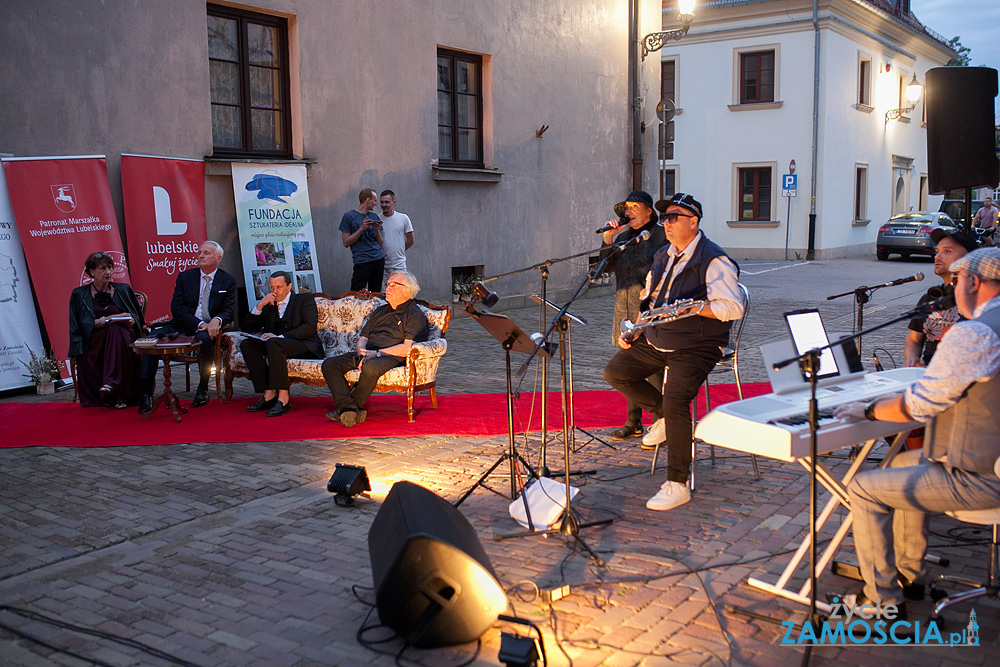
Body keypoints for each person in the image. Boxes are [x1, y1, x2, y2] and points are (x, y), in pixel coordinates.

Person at [833, 247, 1000, 618]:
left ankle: (881, 601)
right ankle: (910, 573)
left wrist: (867, 408)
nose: (953, 291)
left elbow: (920, 406)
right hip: (987, 458)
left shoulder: (975, 333)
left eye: (956, 283)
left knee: (862, 486)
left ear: (972, 282)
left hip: (979, 475)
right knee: (900, 464)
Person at [603, 193, 743, 511]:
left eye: (674, 217)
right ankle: (662, 415)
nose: (666, 223)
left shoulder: (714, 259)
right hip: (659, 337)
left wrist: (694, 308)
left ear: (693, 222)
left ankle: (678, 483)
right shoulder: (664, 255)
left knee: (677, 400)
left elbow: (733, 306)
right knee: (616, 371)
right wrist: (636, 330)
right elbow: (650, 300)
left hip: (697, 345)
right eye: (664, 217)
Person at [598, 190, 667, 441]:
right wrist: (608, 238)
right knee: (628, 365)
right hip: (624, 308)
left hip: (650, 311)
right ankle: (634, 422)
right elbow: (604, 268)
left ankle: (661, 422)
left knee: (654, 366)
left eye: (634, 207)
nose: (628, 212)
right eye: (626, 207)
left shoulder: (661, 236)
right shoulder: (624, 238)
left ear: (649, 211)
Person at [139, 241, 237, 413]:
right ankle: (146, 393)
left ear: (218, 258)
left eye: (206, 253)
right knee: (150, 340)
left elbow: (229, 309)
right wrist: (200, 323)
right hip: (184, 324)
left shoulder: (227, 280)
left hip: (209, 328)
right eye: (200, 252)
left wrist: (217, 320)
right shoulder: (185, 277)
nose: (200, 255)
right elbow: (177, 309)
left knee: (205, 340)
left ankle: (203, 388)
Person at [321, 271, 428, 427]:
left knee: (370, 367)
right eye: (387, 284)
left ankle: (348, 409)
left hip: (391, 356)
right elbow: (363, 338)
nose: (388, 288)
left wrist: (377, 354)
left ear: (406, 290)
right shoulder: (380, 310)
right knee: (329, 365)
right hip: (368, 353)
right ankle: (348, 409)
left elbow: (407, 348)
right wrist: (362, 352)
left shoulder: (414, 314)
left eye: (393, 285)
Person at [240, 271, 323, 417]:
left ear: (289, 286)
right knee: (247, 344)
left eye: (279, 287)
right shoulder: (268, 304)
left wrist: (280, 337)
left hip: (304, 345)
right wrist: (259, 306)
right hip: (275, 345)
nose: (275, 291)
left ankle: (284, 399)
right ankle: (268, 394)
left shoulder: (304, 299)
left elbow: (309, 327)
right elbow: (246, 328)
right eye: (272, 287)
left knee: (274, 343)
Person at [68, 252, 145, 408]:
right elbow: (79, 325)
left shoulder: (123, 290)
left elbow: (138, 319)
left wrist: (131, 321)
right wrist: (108, 320)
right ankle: (118, 394)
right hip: (94, 339)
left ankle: (110, 385)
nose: (108, 272)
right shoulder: (79, 294)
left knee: (116, 330)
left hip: (123, 337)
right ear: (91, 272)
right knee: (113, 327)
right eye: (102, 268)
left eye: (110, 267)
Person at [903, 228, 977, 367]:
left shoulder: (981, 301)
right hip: (929, 376)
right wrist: (912, 358)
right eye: (937, 252)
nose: (937, 257)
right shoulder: (929, 299)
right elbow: (914, 340)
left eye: (947, 251)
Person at [340, 188, 386, 292]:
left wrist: (377, 230)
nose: (375, 204)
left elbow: (381, 243)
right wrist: (361, 229)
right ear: (367, 199)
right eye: (374, 200)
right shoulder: (349, 216)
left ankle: (374, 309)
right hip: (362, 261)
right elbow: (346, 242)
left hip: (378, 260)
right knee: (356, 293)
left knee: (375, 293)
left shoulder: (374, 216)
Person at [378, 190, 415, 288]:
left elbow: (411, 240)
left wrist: (398, 251)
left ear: (393, 202)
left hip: (399, 265)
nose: (384, 204)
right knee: (384, 296)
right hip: (382, 265)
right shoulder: (377, 219)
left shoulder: (403, 218)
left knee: (400, 293)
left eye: (387, 202)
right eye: (381, 202)